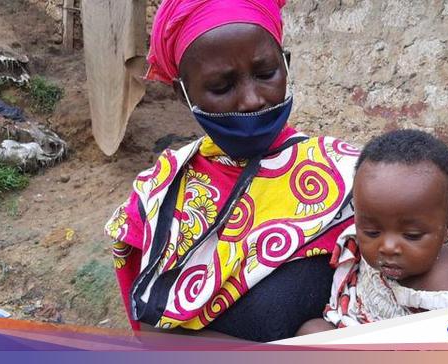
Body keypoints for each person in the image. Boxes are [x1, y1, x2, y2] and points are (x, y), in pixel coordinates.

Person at [105, 0, 359, 342]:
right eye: (222, 87)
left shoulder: (351, 177)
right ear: (183, 94)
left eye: (266, 73)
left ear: (286, 63)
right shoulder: (158, 199)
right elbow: (152, 335)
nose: (252, 100)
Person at [299, 130, 448, 333]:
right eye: (372, 232)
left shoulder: (443, 297)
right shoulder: (376, 238)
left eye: (411, 236)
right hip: (352, 320)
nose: (388, 247)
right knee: (310, 330)